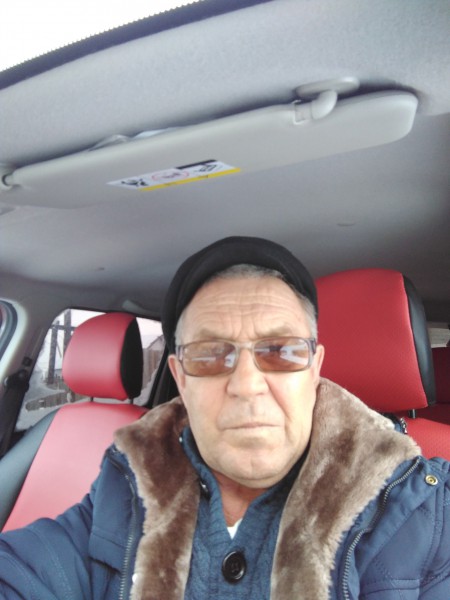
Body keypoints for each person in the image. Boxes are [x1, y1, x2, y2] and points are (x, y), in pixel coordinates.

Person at [0, 236, 449, 600]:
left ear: (314, 370)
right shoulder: (126, 489)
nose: (247, 384)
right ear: (180, 378)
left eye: (281, 351)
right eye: (210, 355)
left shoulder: (421, 511)